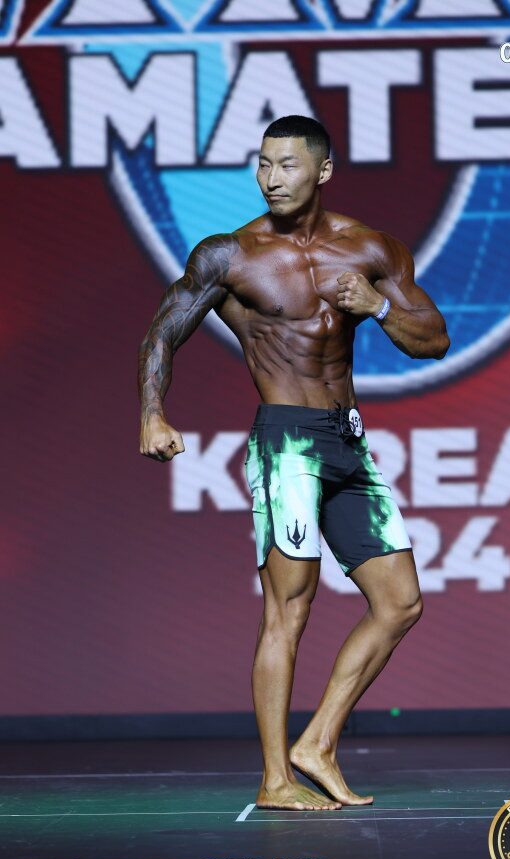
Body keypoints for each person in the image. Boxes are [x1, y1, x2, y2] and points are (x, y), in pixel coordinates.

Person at [138, 115, 450, 811]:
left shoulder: (370, 248)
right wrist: (152, 412)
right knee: (290, 608)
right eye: (263, 164)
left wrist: (377, 305)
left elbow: (433, 340)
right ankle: (276, 779)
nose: (271, 178)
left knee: (400, 602)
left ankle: (319, 745)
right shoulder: (231, 255)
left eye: (286, 165)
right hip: (287, 442)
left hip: (347, 441)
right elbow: (163, 329)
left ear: (323, 171)